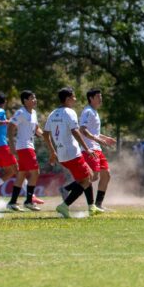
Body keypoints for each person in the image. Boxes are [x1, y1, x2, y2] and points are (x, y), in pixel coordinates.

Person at [44, 87, 101, 218]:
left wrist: (52, 151)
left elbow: (46, 134)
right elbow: (75, 131)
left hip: (63, 155)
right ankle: (64, 205)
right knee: (86, 181)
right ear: (68, 98)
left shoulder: (52, 114)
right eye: (74, 97)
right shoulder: (70, 112)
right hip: (72, 153)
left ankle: (91, 207)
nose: (75, 99)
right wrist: (87, 148)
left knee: (88, 176)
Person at [0, 93, 45, 206]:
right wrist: (5, 122)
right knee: (19, 171)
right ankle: (30, 197)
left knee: (11, 171)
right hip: (1, 145)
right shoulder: (1, 111)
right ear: (5, 102)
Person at [78, 88, 116, 212]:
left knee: (106, 175)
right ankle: (67, 189)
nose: (101, 99)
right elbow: (83, 130)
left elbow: (95, 133)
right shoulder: (87, 111)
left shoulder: (94, 112)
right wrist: (97, 140)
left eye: (101, 96)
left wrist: (105, 138)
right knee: (93, 177)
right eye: (98, 97)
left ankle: (98, 204)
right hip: (89, 149)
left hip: (97, 148)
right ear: (91, 98)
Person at [5, 90, 44, 212]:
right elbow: (10, 126)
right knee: (35, 172)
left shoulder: (34, 113)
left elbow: (37, 129)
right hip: (24, 147)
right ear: (25, 101)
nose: (35, 100)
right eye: (32, 98)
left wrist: (47, 136)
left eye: (35, 97)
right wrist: (11, 145)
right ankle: (28, 201)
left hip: (29, 146)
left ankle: (12, 202)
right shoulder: (21, 112)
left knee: (21, 174)